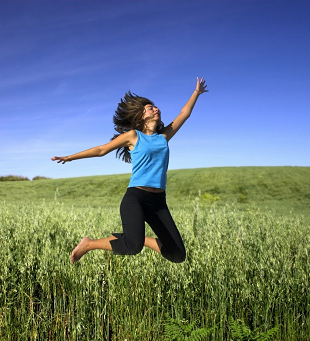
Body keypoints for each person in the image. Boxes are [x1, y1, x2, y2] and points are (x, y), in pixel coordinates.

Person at [52, 77, 208, 264]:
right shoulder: (134, 136)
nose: (155, 109)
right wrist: (69, 157)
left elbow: (184, 113)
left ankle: (142, 239)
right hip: (137, 198)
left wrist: (196, 93)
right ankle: (88, 244)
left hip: (159, 202)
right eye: (150, 108)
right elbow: (102, 150)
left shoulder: (163, 136)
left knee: (177, 254)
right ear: (141, 115)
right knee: (133, 246)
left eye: (155, 107)